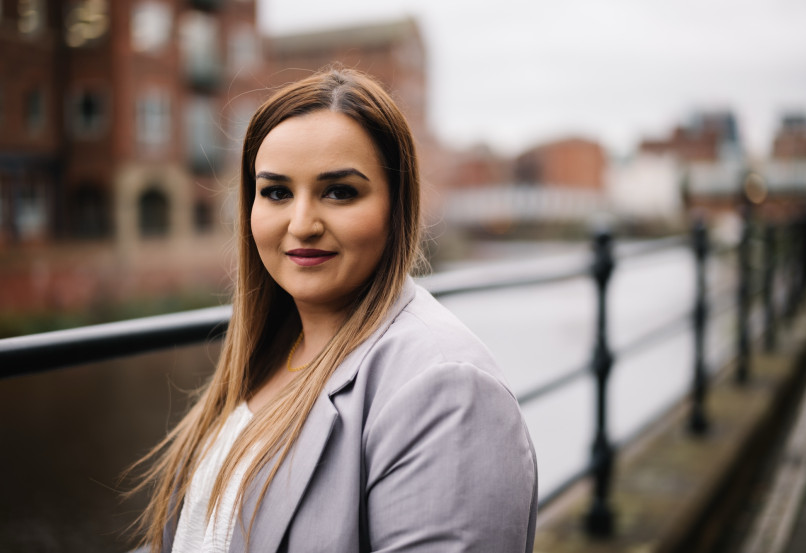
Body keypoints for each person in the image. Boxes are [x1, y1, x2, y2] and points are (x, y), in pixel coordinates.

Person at [131, 67, 537, 553]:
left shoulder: (446, 390)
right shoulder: (268, 352)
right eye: (277, 192)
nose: (302, 224)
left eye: (340, 191)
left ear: (396, 207)